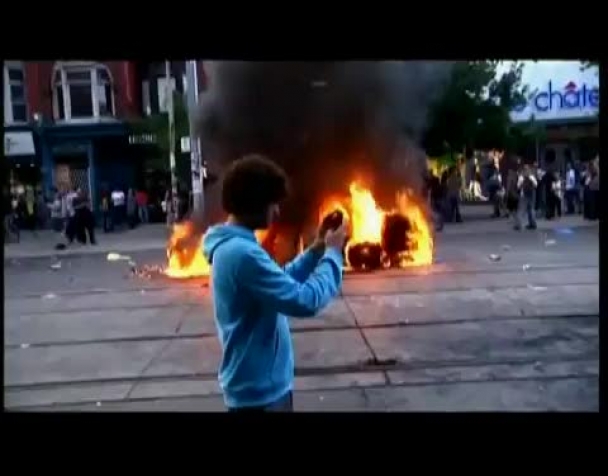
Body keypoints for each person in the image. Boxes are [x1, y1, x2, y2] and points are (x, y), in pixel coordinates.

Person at [202, 154, 346, 412]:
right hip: (261, 396)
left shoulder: (235, 247)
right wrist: (334, 254)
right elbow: (305, 300)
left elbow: (281, 281)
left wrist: (316, 249)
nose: (277, 211)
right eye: (273, 204)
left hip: (260, 388)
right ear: (256, 204)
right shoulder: (242, 254)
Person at [515, 163, 537, 230]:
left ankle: (519, 225)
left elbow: (518, 186)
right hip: (532, 194)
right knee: (531, 209)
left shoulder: (521, 177)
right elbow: (536, 185)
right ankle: (532, 224)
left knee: (521, 210)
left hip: (523, 195)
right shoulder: (532, 176)